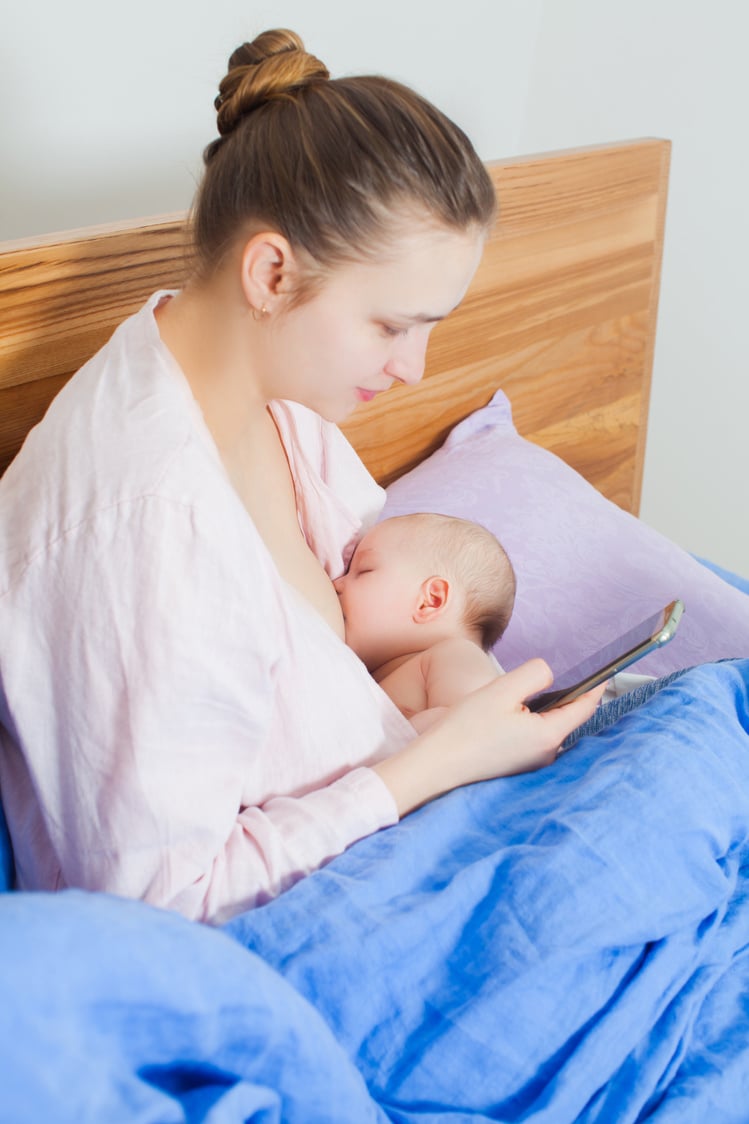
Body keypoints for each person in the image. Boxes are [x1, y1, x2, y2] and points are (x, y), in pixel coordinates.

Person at [0, 28, 603, 925]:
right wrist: (430, 764)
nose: (413, 369)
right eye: (392, 326)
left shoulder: (279, 410)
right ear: (272, 273)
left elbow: (384, 628)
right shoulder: (147, 529)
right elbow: (158, 905)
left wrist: (461, 702)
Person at [335, 513, 515, 733]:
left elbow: (478, 729)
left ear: (430, 601)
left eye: (363, 571)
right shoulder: (373, 672)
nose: (337, 583)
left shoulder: (457, 656)